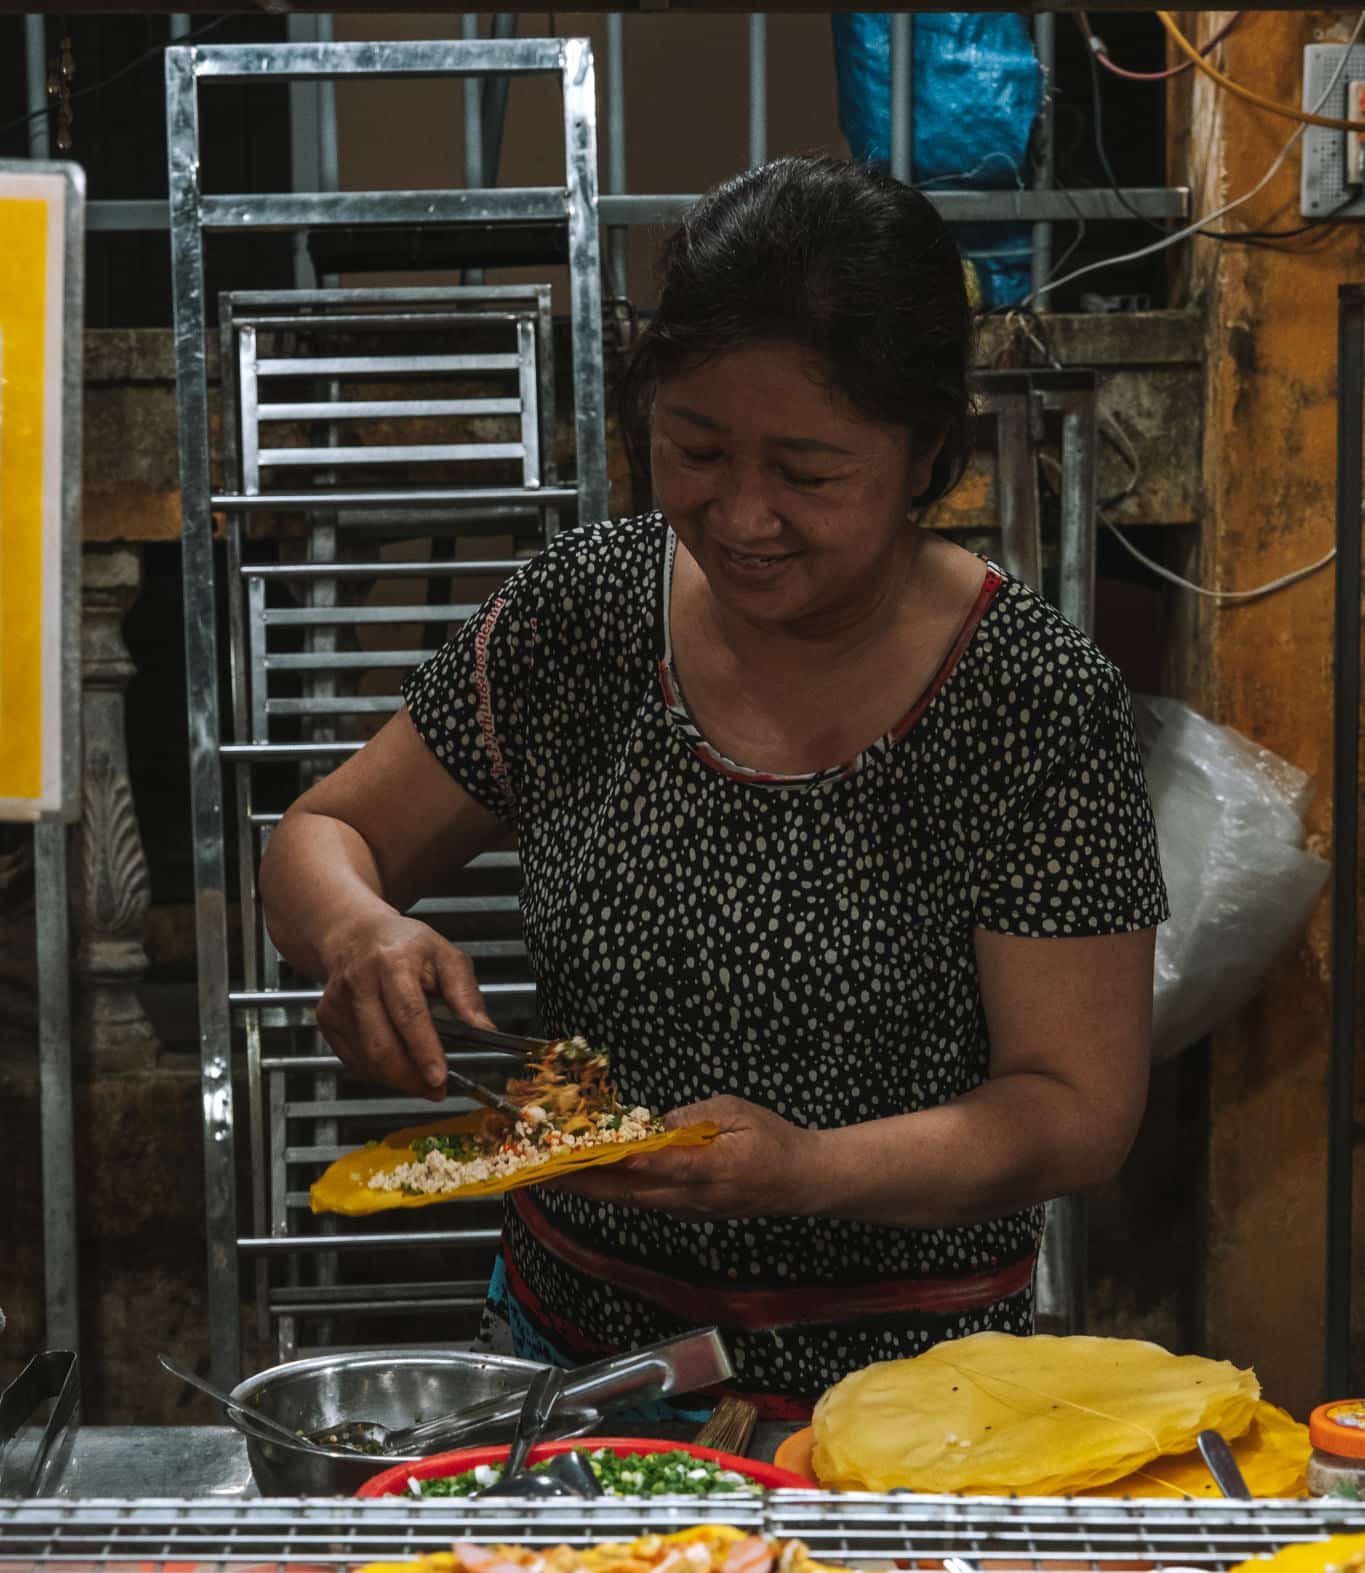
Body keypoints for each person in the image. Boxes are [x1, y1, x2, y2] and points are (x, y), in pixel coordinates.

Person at [260, 155, 1167, 1417]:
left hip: (904, 1409)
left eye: (808, 473)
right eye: (695, 448)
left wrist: (806, 1169)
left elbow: (1074, 1110)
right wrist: (355, 928)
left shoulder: (1029, 698)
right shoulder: (586, 616)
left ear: (922, 457)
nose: (742, 515)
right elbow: (325, 829)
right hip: (570, 1367)